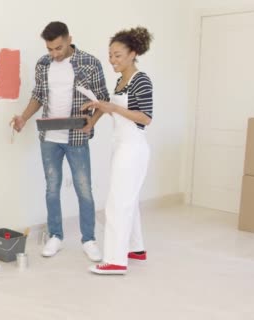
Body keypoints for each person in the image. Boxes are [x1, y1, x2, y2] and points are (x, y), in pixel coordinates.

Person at [11, 21, 109, 261]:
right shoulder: (43, 65)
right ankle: (56, 236)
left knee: (83, 189)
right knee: (51, 188)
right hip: (50, 138)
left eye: (58, 48)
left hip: (77, 136)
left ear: (69, 39)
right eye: (49, 49)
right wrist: (23, 117)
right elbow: (38, 95)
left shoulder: (90, 63)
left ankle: (89, 239)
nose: (54, 54)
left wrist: (92, 124)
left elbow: (103, 99)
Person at [82, 26, 154, 275]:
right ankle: (136, 249)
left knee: (117, 202)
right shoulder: (121, 79)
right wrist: (100, 111)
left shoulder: (140, 79)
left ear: (133, 53)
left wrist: (112, 107)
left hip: (133, 148)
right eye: (110, 55)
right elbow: (115, 107)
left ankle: (115, 260)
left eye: (118, 55)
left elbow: (145, 118)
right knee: (128, 200)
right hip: (121, 145)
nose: (112, 60)